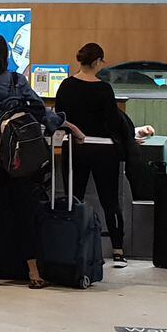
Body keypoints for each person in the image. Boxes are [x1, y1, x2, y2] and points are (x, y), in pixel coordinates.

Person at [0, 34, 81, 289]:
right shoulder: (17, 80)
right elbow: (39, 110)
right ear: (5, 55)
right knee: (25, 213)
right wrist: (62, 123)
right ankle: (34, 273)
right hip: (20, 159)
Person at [54, 43, 130, 269]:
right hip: (104, 149)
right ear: (97, 61)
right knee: (110, 201)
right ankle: (118, 251)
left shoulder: (66, 86)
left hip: (75, 147)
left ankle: (73, 245)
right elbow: (114, 121)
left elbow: (59, 116)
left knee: (74, 198)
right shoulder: (104, 89)